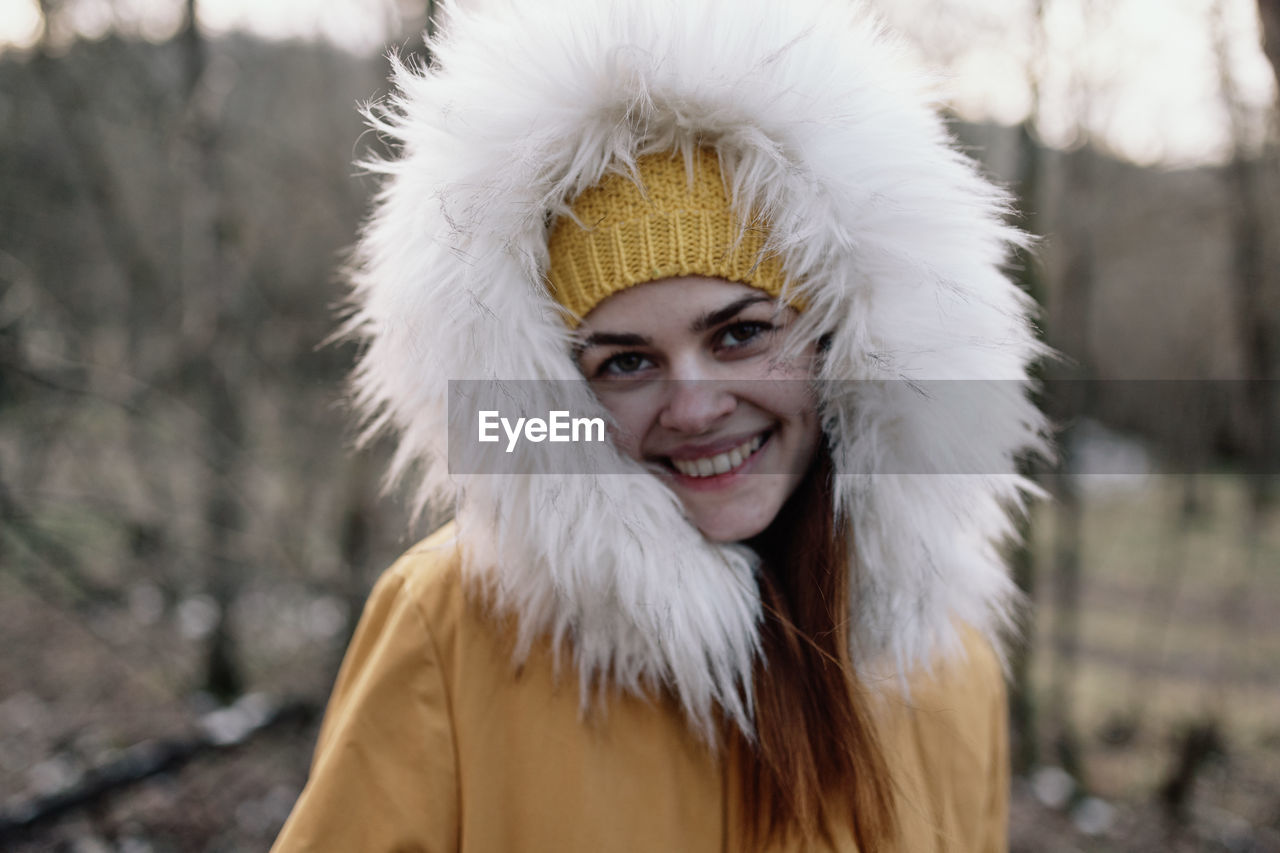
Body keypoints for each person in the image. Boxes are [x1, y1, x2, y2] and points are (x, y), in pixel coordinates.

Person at [272, 0, 1049, 850]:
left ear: (841, 347)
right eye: (626, 362)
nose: (694, 407)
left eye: (742, 334)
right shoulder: (452, 630)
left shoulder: (948, 668)